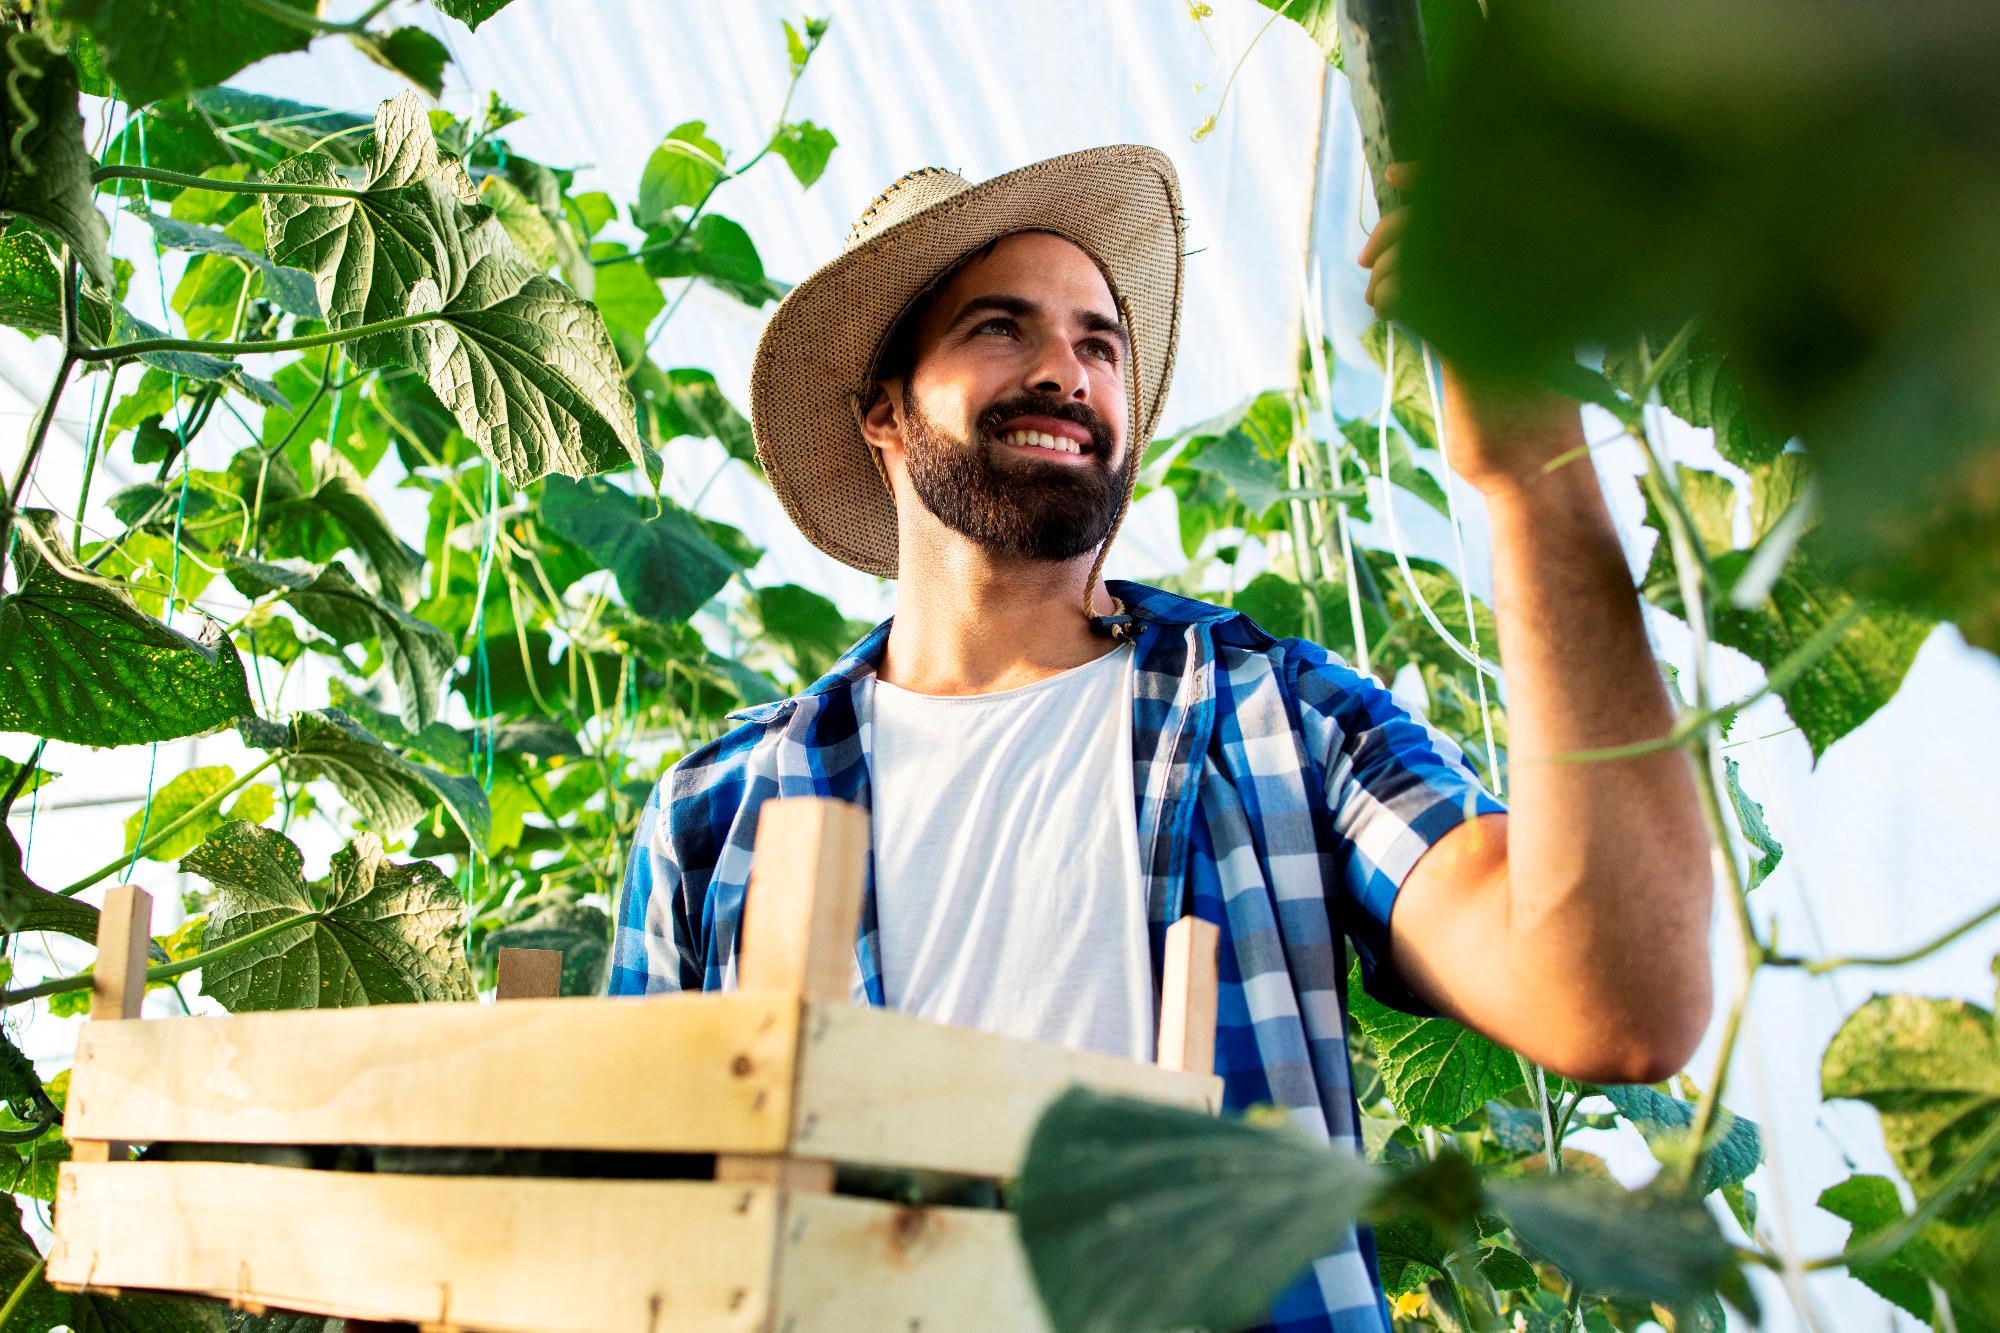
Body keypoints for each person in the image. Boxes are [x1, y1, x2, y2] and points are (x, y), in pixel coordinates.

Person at [608, 148, 1711, 1332]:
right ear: (881, 408)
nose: (1062, 371)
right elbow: (623, 1236)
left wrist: (1529, 470)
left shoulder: (1275, 716)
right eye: (998, 327)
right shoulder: (717, 816)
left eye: (1099, 343)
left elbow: (1616, 1002)